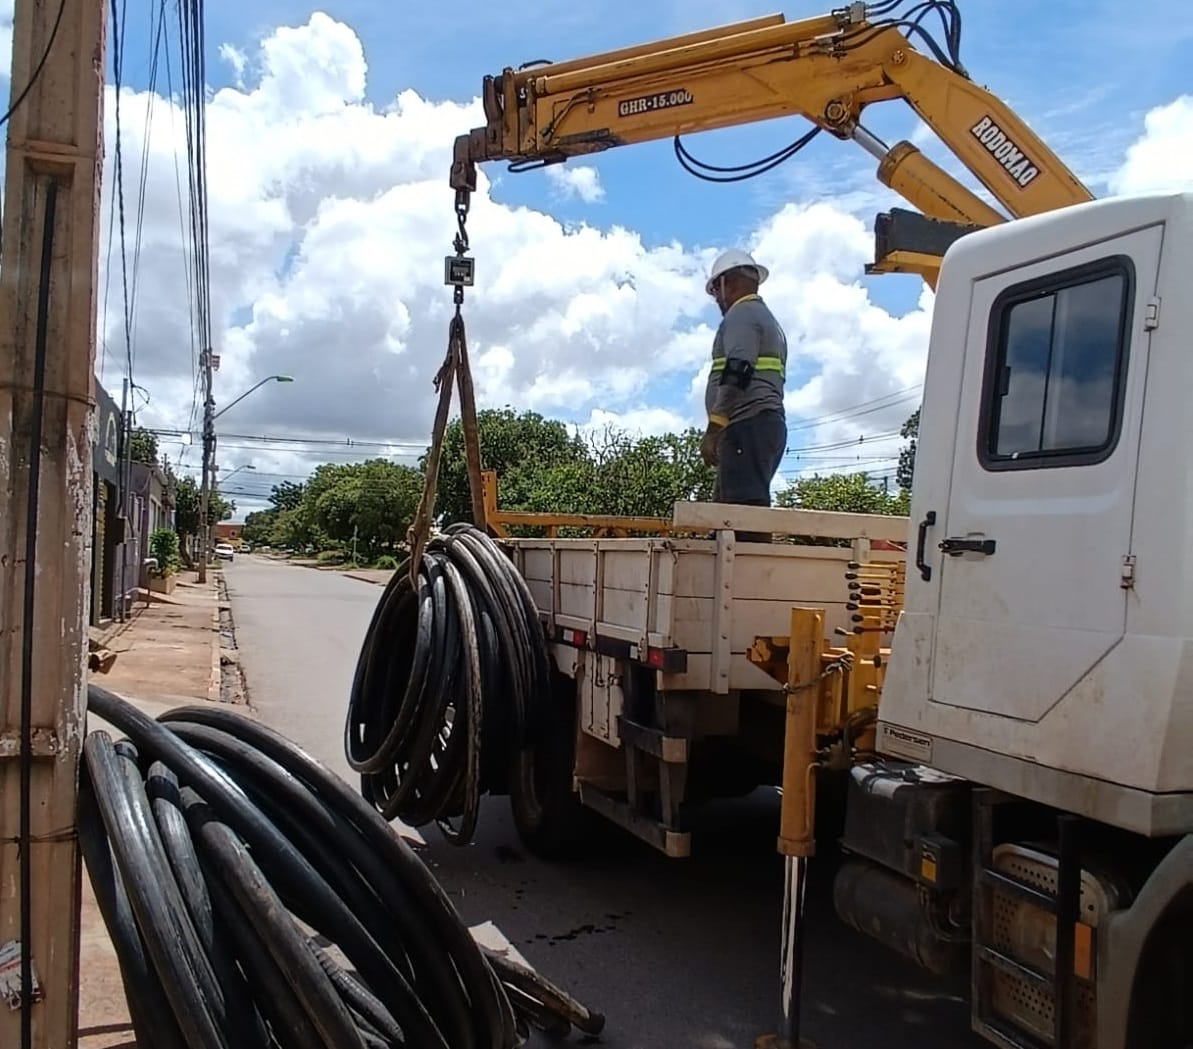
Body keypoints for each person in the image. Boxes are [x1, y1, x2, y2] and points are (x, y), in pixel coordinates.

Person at [700, 249, 788, 515]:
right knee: (731, 514)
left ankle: (747, 559)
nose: (716, 297)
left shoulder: (742, 315)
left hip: (747, 426)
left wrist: (715, 426)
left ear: (729, 281)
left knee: (740, 519)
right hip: (759, 426)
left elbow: (739, 368)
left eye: (715, 288)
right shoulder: (765, 319)